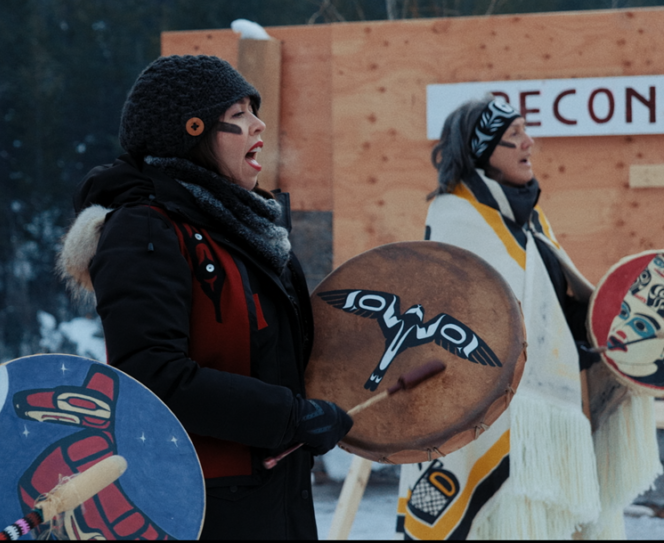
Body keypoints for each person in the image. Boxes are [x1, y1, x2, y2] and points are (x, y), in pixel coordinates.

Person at [57, 55, 353, 540]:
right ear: (191, 133)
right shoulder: (144, 229)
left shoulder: (249, 228)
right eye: (237, 117)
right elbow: (153, 377)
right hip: (202, 511)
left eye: (254, 111)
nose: (259, 125)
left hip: (277, 502)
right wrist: (290, 417)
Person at [396, 97, 661, 539]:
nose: (529, 143)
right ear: (482, 149)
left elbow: (553, 307)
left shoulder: (528, 220)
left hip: (550, 424)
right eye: (514, 134)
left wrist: (615, 334)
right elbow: (463, 332)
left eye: (526, 131)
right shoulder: (456, 222)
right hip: (495, 419)